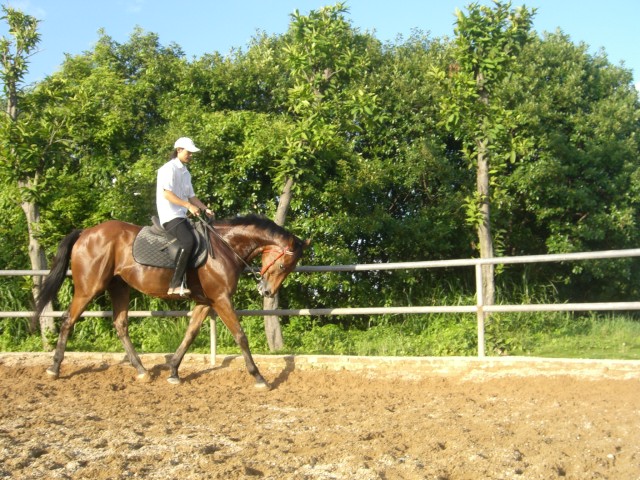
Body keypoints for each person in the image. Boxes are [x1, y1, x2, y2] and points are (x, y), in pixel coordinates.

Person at [156, 137, 213, 296]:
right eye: (189, 152)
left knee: (201, 239)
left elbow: (191, 197)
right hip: (170, 216)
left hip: (182, 216)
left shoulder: (185, 172)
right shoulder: (168, 169)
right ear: (179, 150)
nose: (191, 155)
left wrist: (204, 209)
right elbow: (167, 194)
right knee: (188, 241)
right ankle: (174, 284)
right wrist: (188, 206)